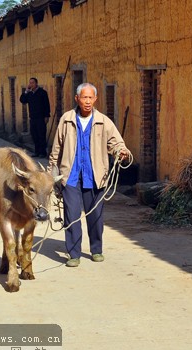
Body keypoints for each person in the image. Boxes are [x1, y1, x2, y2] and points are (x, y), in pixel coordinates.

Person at [48, 83, 131, 267]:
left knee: (95, 216)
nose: (87, 101)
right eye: (83, 97)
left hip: (95, 176)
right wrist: (52, 173)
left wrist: (121, 152)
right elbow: (56, 149)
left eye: (90, 98)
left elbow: (116, 143)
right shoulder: (66, 120)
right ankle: (74, 254)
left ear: (95, 99)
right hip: (70, 176)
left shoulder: (103, 121)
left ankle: (96, 249)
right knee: (72, 216)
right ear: (77, 99)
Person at [20, 77, 51, 158]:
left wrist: (47, 115)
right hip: (33, 118)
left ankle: (42, 152)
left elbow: (46, 105)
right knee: (34, 135)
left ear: (36, 83)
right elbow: (22, 100)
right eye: (30, 83)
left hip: (41, 118)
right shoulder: (29, 94)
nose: (31, 84)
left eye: (32, 83)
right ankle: (36, 152)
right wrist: (26, 91)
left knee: (41, 135)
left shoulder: (42, 92)